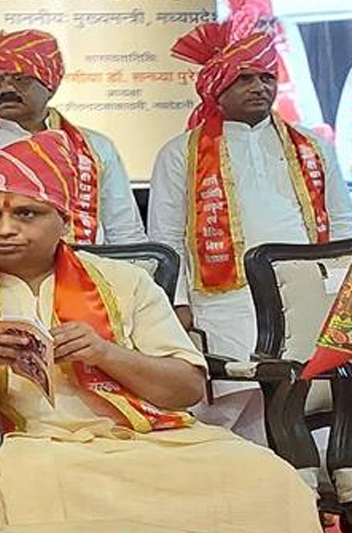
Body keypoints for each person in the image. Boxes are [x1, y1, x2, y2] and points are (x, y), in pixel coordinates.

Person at [0, 129, 321, 532]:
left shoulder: (124, 282)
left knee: (262, 474)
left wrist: (107, 354)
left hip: (150, 438)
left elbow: (187, 389)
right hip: (27, 446)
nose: (4, 228)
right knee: (50, 485)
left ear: (64, 219)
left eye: (26, 213)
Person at [148, 19, 352, 444]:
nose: (259, 87)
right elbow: (165, 236)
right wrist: (177, 304)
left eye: (266, 77)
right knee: (233, 406)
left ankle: (312, 478)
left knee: (311, 397)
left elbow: (341, 221)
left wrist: (340, 292)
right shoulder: (179, 153)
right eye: (244, 79)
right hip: (224, 304)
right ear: (216, 87)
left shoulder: (313, 145)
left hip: (307, 299)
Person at [0, 29, 146, 248]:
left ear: (49, 86)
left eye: (20, 79)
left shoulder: (95, 147)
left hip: (81, 273)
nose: (6, 89)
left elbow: (125, 232)